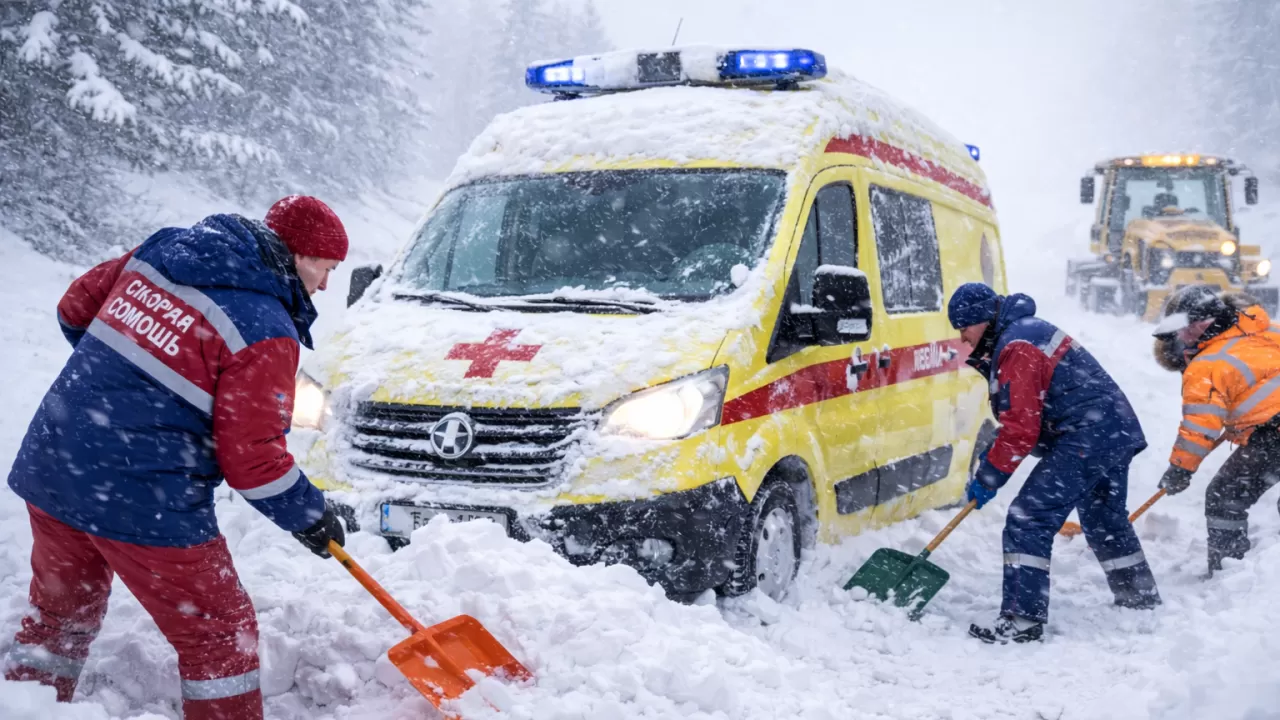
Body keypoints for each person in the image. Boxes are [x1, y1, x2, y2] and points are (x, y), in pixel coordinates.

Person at [3, 196, 350, 719]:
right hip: (146, 495)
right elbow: (253, 463)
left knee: (60, 612)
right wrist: (310, 514)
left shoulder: (164, 250)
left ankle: (26, 704)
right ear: (296, 255)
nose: (325, 284)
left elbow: (75, 310)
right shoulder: (265, 328)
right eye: (324, 268)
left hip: (58, 458)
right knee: (218, 632)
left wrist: (120, 389)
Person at [949, 282, 1160, 644]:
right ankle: (1139, 597)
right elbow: (1023, 419)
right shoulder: (1021, 333)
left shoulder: (1017, 345)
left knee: (1028, 517)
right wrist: (992, 463)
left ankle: (1021, 620)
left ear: (982, 319)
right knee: (1103, 517)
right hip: (1110, 430)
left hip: (1086, 434)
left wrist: (988, 476)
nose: (964, 339)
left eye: (964, 328)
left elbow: (1021, 428)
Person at [1151, 285, 1280, 575]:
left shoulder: (1207, 364)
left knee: (1224, 497)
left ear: (1202, 324)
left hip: (1274, 435)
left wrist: (1180, 469)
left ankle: (1229, 571)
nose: (1180, 340)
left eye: (1183, 331)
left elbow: (1200, 424)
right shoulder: (1271, 331)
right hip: (1272, 429)